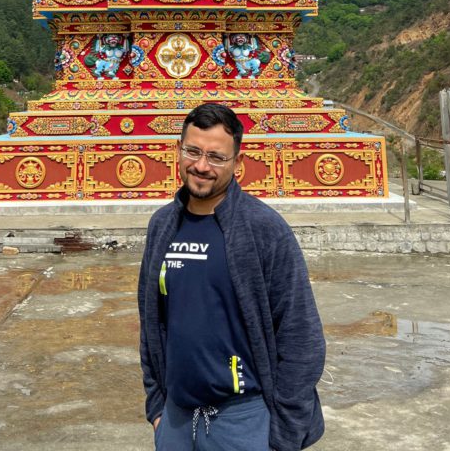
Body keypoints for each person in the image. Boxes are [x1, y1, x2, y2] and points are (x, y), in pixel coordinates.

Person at [138, 102, 325, 450]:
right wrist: (157, 408)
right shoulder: (163, 226)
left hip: (243, 419)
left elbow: (302, 337)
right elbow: (151, 321)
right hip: (175, 419)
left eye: (216, 157)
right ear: (177, 151)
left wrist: (283, 434)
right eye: (192, 151)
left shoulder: (264, 229)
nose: (201, 166)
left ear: (238, 163)